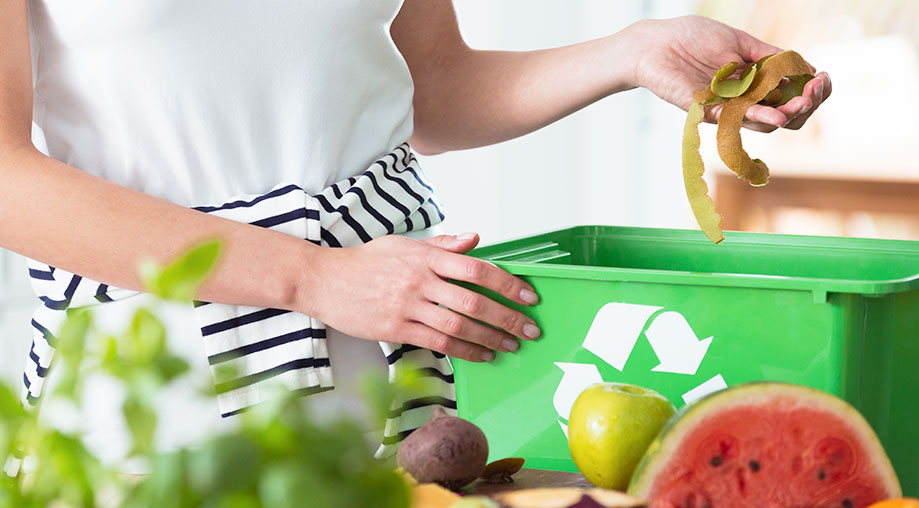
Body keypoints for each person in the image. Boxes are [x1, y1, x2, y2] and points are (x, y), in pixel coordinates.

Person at [0, 0, 830, 467]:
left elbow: (430, 87)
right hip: (159, 378)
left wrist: (629, 51)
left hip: (408, 367)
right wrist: (311, 277)